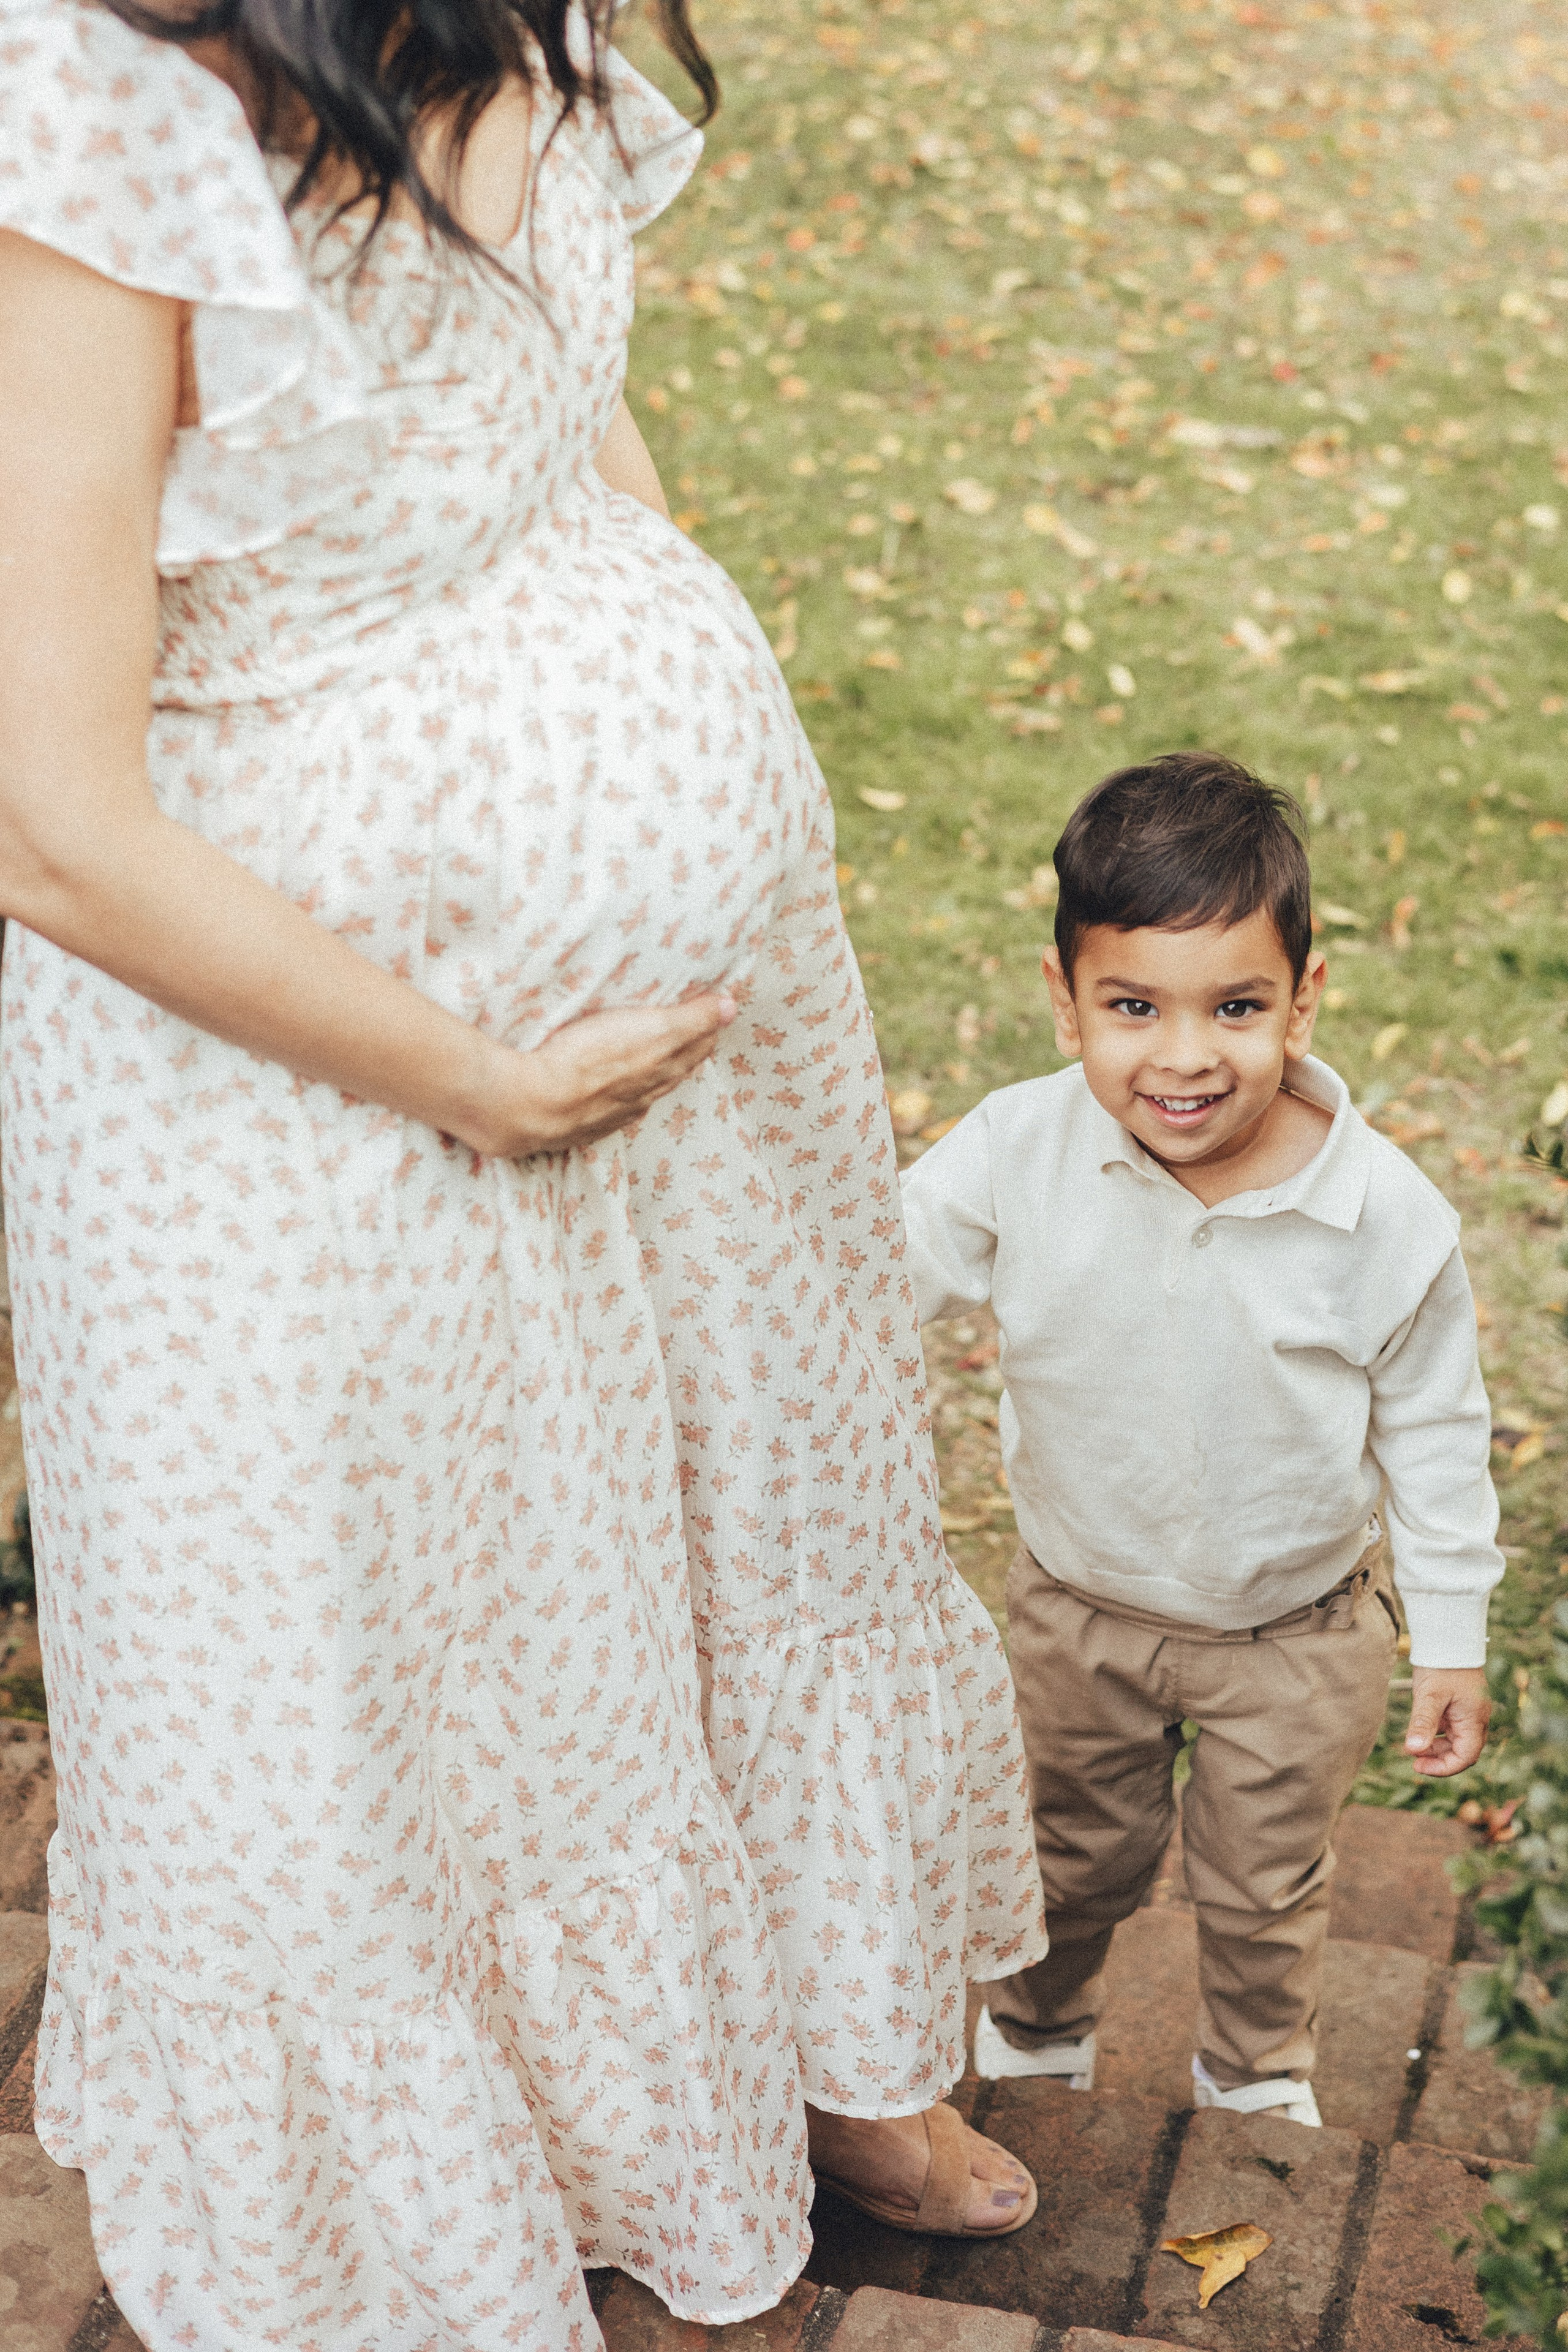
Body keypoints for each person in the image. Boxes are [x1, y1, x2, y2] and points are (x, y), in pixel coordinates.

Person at [0, 3, 1046, 2346]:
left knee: (743, 1524)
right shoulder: (83, 109)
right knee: (396, 1666)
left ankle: (833, 2043)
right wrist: (467, 1076)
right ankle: (432, 2225)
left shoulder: (515, 6)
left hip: (684, 1045)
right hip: (302, 1090)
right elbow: (46, 821)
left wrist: (684, 717)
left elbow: (554, 414)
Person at [900, 752, 1500, 2127]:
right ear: (1064, 1005)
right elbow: (867, 1284)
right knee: (1066, 1855)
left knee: (1263, 1881)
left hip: (1292, 1634)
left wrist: (1452, 1635)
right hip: (1076, 1609)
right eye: (1131, 1007)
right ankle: (1035, 2043)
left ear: (1302, 998)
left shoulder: (1384, 1217)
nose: (1181, 1056)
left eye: (1233, 1006)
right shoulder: (1014, 1149)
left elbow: (1434, 1432)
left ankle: (1249, 2079)